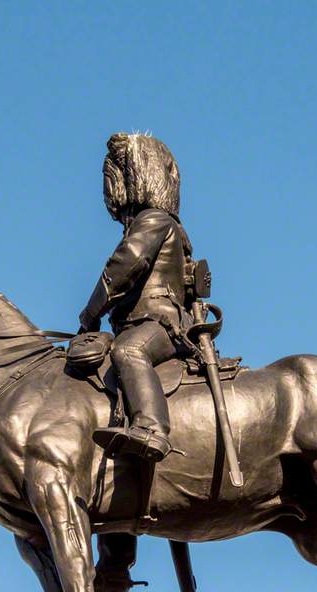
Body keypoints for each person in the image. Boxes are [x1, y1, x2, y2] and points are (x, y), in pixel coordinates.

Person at [78, 132, 194, 462]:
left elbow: (124, 266)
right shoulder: (161, 224)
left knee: (128, 351)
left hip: (160, 321)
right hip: (143, 321)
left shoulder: (154, 221)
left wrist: (91, 312)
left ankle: (151, 428)